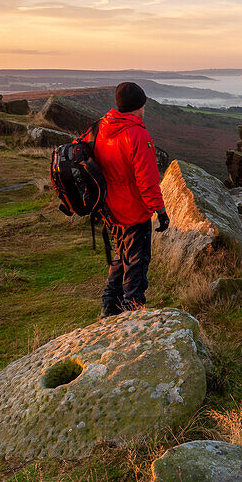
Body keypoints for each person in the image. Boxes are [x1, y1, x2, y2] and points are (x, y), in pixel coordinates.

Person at [90, 82, 170, 317]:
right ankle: (132, 316)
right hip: (133, 212)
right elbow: (147, 181)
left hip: (110, 209)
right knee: (136, 264)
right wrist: (160, 211)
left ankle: (108, 308)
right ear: (140, 105)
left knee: (122, 255)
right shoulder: (137, 134)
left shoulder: (101, 127)